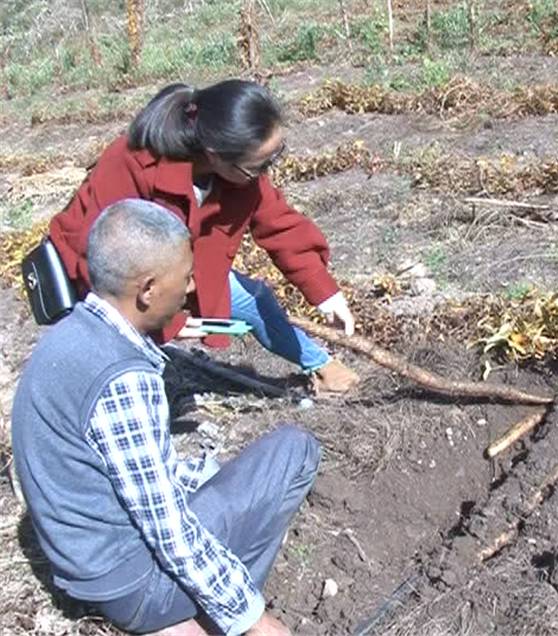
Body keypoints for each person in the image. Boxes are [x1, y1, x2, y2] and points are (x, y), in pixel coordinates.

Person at [12, 200, 319, 635]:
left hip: (82, 561)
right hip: (131, 585)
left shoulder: (68, 336)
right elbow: (170, 531)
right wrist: (255, 619)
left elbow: (125, 471)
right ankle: (210, 620)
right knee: (294, 449)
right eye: (186, 276)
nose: (192, 287)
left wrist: (206, 477)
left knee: (217, 482)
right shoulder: (123, 378)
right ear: (148, 289)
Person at [48, 79, 359, 393]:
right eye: (258, 166)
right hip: (99, 280)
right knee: (121, 356)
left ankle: (321, 365)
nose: (263, 174)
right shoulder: (132, 161)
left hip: (179, 269)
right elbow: (99, 257)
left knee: (253, 299)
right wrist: (168, 324)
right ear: (214, 153)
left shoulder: (241, 172)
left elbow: (278, 223)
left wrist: (325, 293)